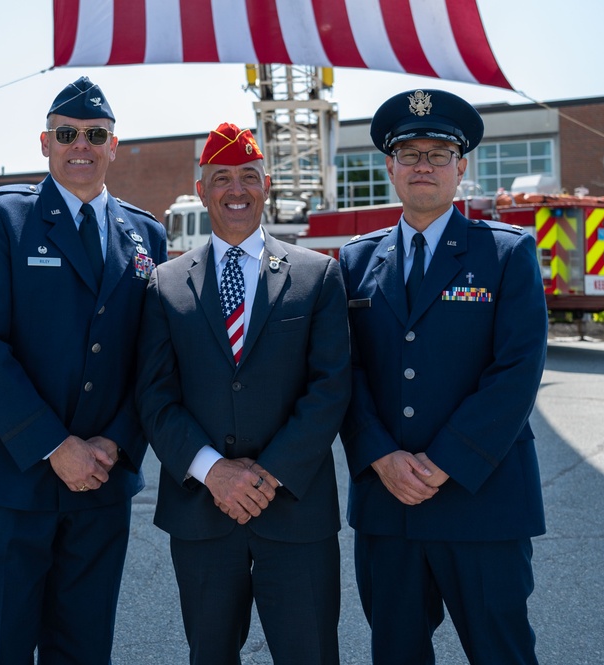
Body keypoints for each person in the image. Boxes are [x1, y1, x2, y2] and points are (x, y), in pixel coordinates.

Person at [0, 76, 167, 664]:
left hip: (102, 480)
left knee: (85, 648)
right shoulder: (1, 218)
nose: (81, 146)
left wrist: (114, 444)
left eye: (96, 134)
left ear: (115, 145)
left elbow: (153, 356)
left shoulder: (145, 235)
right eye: (67, 134)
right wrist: (54, 446)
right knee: (1, 647)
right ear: (45, 143)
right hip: (11, 477)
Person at [339, 89, 549, 664]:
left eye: (438, 153)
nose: (423, 165)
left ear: (462, 166)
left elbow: (516, 372)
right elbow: (342, 372)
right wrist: (381, 456)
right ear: (390, 166)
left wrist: (445, 462)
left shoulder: (506, 254)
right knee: (396, 653)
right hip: (387, 502)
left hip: (480, 498)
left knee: (501, 651)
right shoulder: (356, 261)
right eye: (409, 154)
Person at [136, 123, 351, 665]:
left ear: (267, 184)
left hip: (296, 511)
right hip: (201, 514)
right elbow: (155, 397)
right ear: (202, 187)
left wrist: (267, 474)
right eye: (222, 178)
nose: (237, 189)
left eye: (249, 177)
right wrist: (215, 472)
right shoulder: (164, 285)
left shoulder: (317, 275)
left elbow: (330, 388)